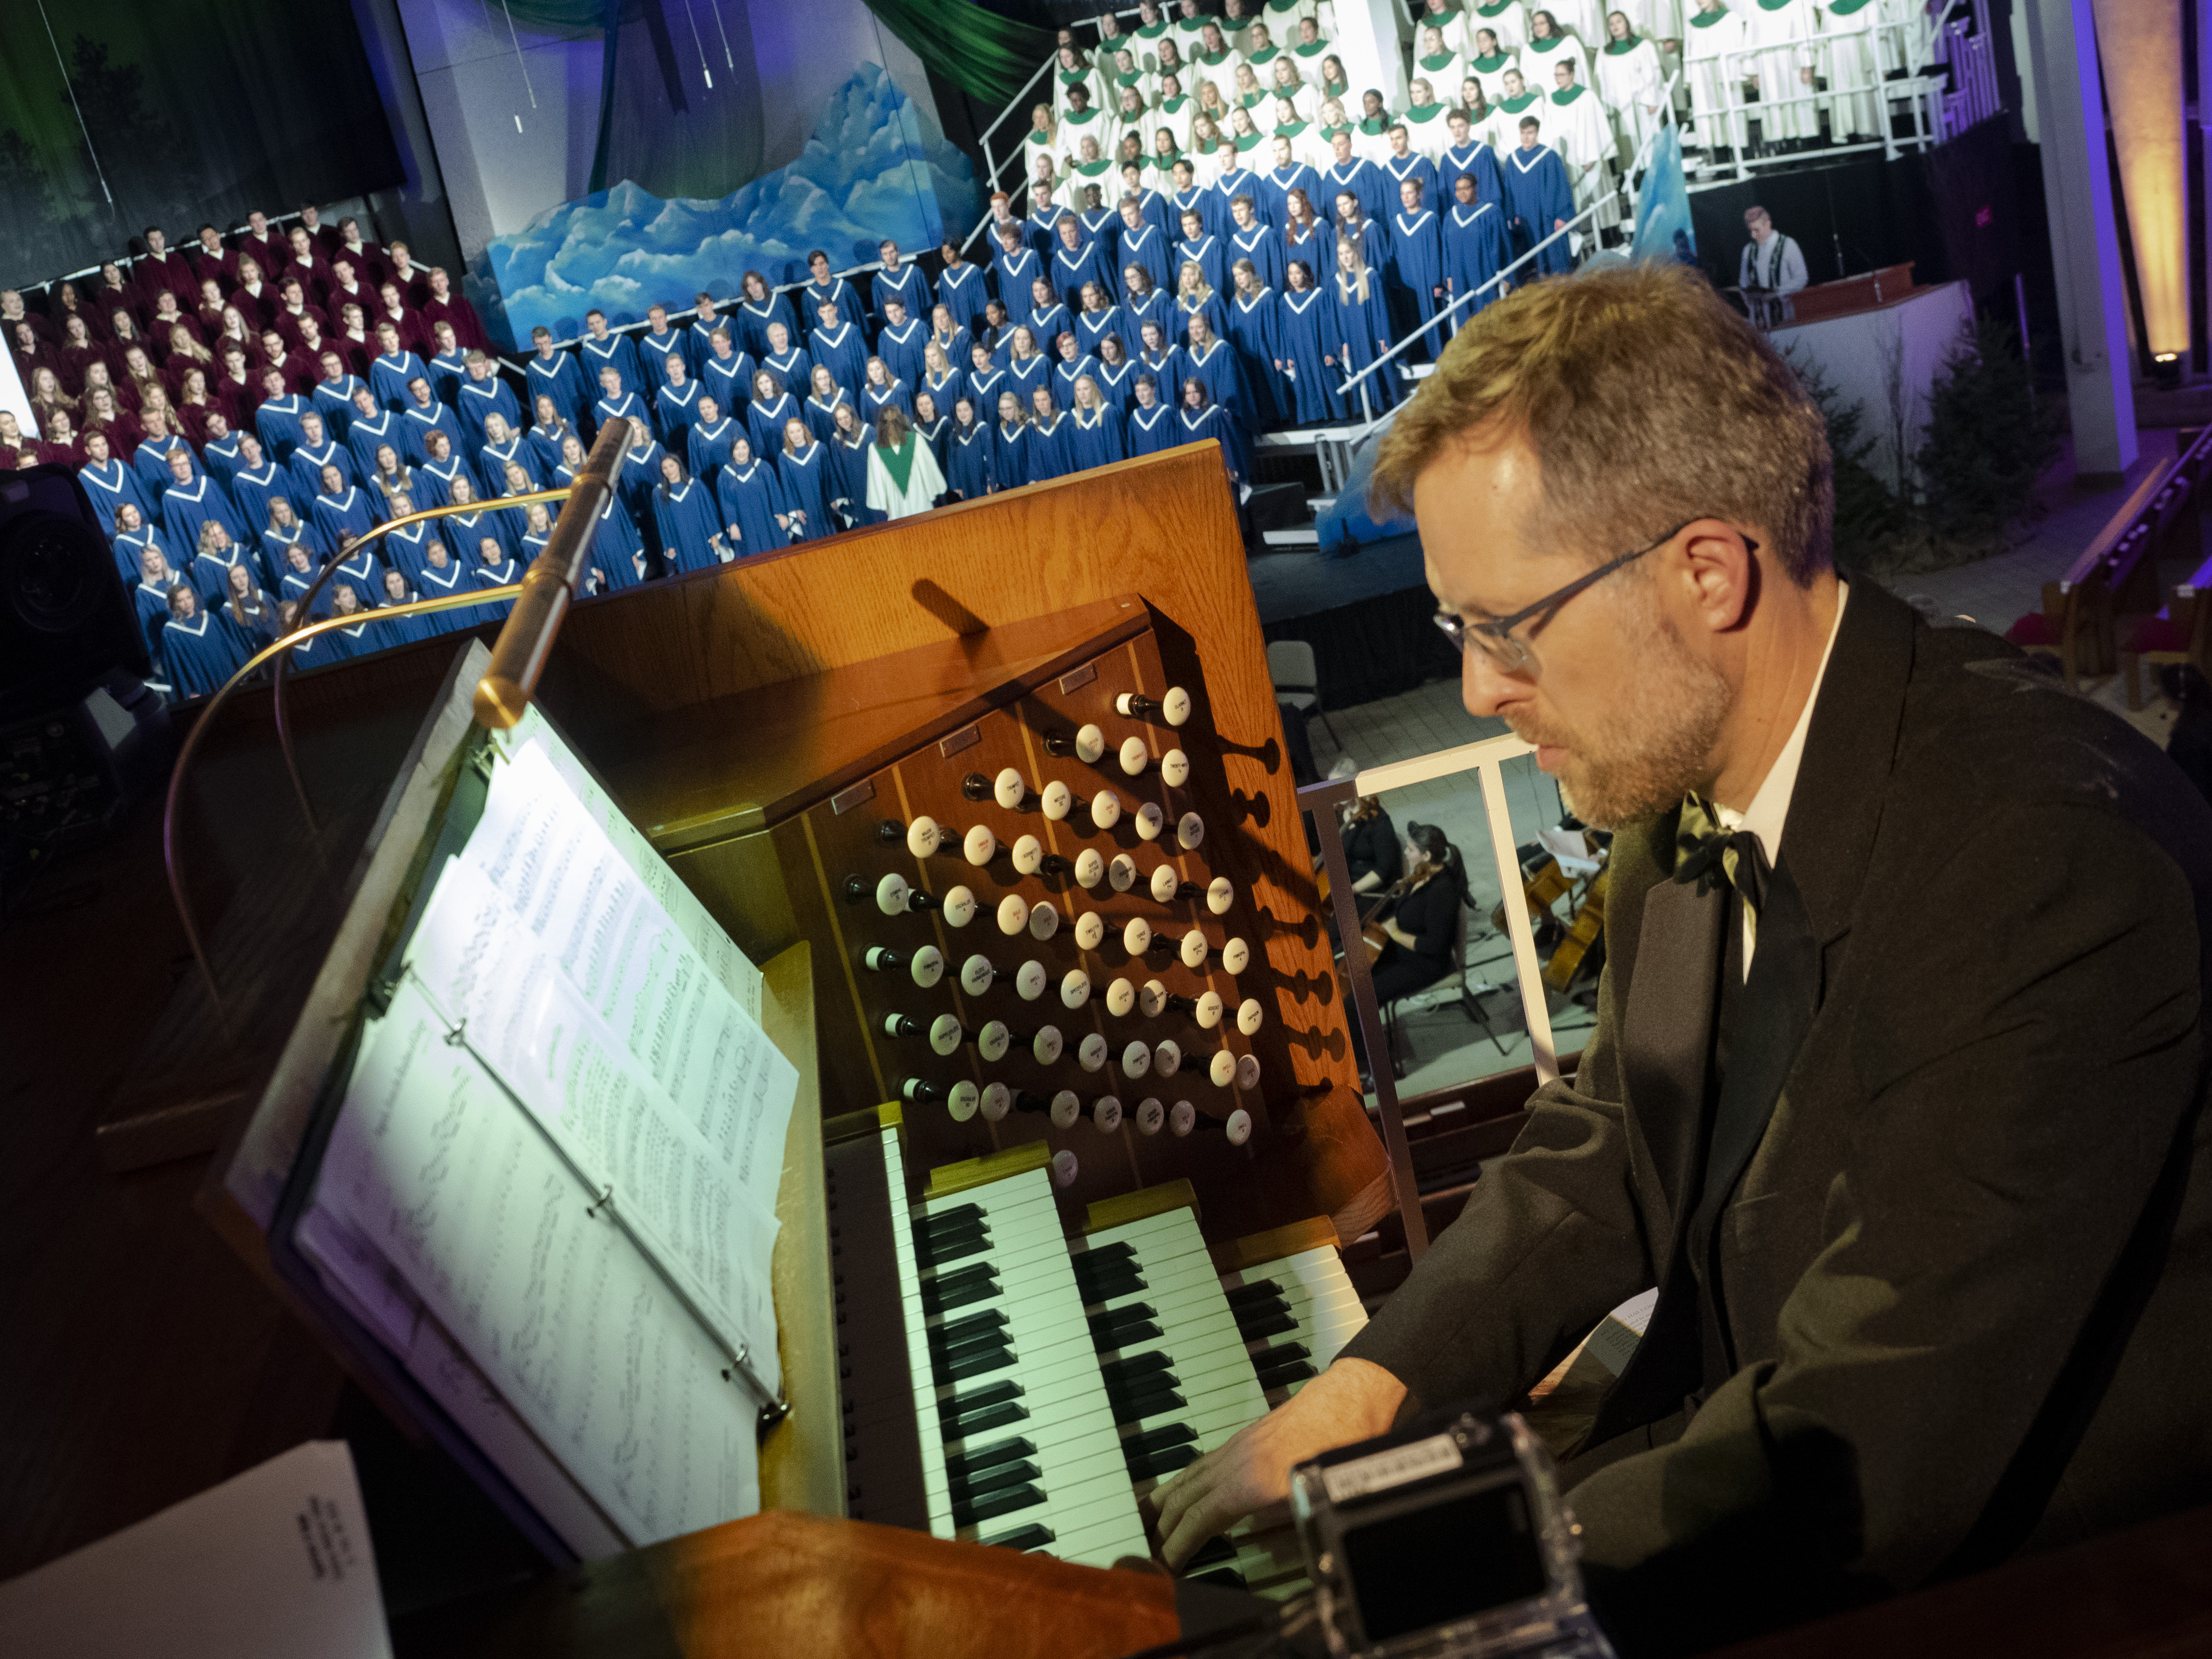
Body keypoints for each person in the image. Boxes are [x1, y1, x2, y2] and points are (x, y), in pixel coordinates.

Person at [1151, 258, 2212, 1651]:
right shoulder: (1690, 782)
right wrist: (1375, 1389)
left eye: (1507, 628)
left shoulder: (2038, 870)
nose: (1477, 688)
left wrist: (1411, 1569)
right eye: (1455, 631)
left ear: (1708, 571)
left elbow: (1869, 1446)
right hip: (1744, 1448)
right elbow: (1617, 1138)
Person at [1501, 115, 1576, 274]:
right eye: (1523, 133)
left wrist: (1562, 216)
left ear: (1537, 133)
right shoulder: (1513, 161)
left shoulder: (1549, 157)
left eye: (1530, 133)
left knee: (1556, 260)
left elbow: (1561, 189)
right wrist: (1512, 214)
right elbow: (1509, 191)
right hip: (1525, 220)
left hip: (1547, 218)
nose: (1526, 137)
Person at [157, 581, 251, 700]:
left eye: (189, 598)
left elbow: (229, 647)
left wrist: (240, 671)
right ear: (173, 604)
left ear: (194, 598)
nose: (187, 603)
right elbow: (177, 667)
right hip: (202, 685)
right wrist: (189, 691)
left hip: (226, 676)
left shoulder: (210, 619)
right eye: (180, 601)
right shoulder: (171, 632)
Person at [1443, 169, 1514, 320]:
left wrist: (1507, 275)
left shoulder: (1491, 213)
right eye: (1458, 189)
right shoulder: (1450, 216)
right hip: (1458, 276)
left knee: (1487, 315)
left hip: (1484, 273)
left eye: (1466, 188)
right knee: (1463, 318)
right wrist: (1448, 276)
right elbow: (1446, 250)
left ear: (1475, 188)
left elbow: (1504, 247)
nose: (1461, 193)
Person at [862, 406, 949, 522]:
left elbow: (927, 468)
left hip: (916, 495)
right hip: (904, 497)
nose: (891, 426)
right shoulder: (876, 449)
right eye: (888, 422)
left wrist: (884, 503)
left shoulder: (915, 440)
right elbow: (928, 468)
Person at [650, 452, 727, 571]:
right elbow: (663, 523)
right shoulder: (659, 494)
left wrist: (714, 535)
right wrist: (669, 546)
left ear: (679, 465)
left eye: (672, 466)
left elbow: (708, 512)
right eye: (665, 468)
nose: (669, 470)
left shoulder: (696, 486)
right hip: (680, 541)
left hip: (702, 537)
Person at [715, 433, 789, 554]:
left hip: (769, 520)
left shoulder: (763, 467)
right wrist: (732, 524)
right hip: (745, 526)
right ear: (732, 452)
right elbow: (726, 503)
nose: (741, 452)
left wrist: (781, 514)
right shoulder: (725, 476)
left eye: (744, 447)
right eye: (737, 448)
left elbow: (774, 491)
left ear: (749, 448)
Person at [1739, 205, 1809, 325]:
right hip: (1759, 320)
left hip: (1785, 317)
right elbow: (1743, 282)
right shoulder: (1748, 250)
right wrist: (1748, 297)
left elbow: (1802, 278)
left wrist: (1777, 293)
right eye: (1751, 230)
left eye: (1757, 230)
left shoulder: (1788, 245)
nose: (1753, 235)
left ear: (1768, 224)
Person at [775, 416, 833, 542]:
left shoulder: (819, 448)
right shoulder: (784, 457)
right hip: (804, 507)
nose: (796, 435)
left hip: (824, 502)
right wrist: (795, 509)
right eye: (791, 432)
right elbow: (787, 484)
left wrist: (833, 499)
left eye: (798, 431)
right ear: (787, 435)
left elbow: (829, 475)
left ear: (804, 430)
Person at [944, 397, 997, 498]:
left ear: (972, 410)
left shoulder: (983, 430)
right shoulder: (954, 435)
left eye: (966, 410)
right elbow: (952, 463)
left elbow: (991, 458)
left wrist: (991, 481)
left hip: (983, 483)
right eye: (959, 411)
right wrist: (956, 486)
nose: (962, 414)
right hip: (964, 485)